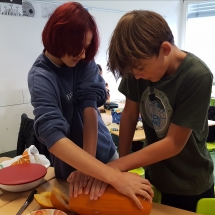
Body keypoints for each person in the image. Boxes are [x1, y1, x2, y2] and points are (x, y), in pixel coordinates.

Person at [27, 2, 153, 208]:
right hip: (70, 169)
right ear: (58, 38)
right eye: (78, 48)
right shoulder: (41, 76)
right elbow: (54, 138)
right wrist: (109, 176)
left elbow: (90, 112)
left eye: (86, 47)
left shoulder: (84, 63)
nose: (83, 55)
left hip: (104, 156)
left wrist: (94, 168)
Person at [103, 10, 214, 212]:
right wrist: (122, 165)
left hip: (190, 182)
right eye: (132, 72)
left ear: (164, 49)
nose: (136, 76)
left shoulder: (197, 76)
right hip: (154, 176)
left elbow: (173, 143)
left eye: (140, 69)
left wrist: (113, 169)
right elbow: (128, 115)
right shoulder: (137, 64)